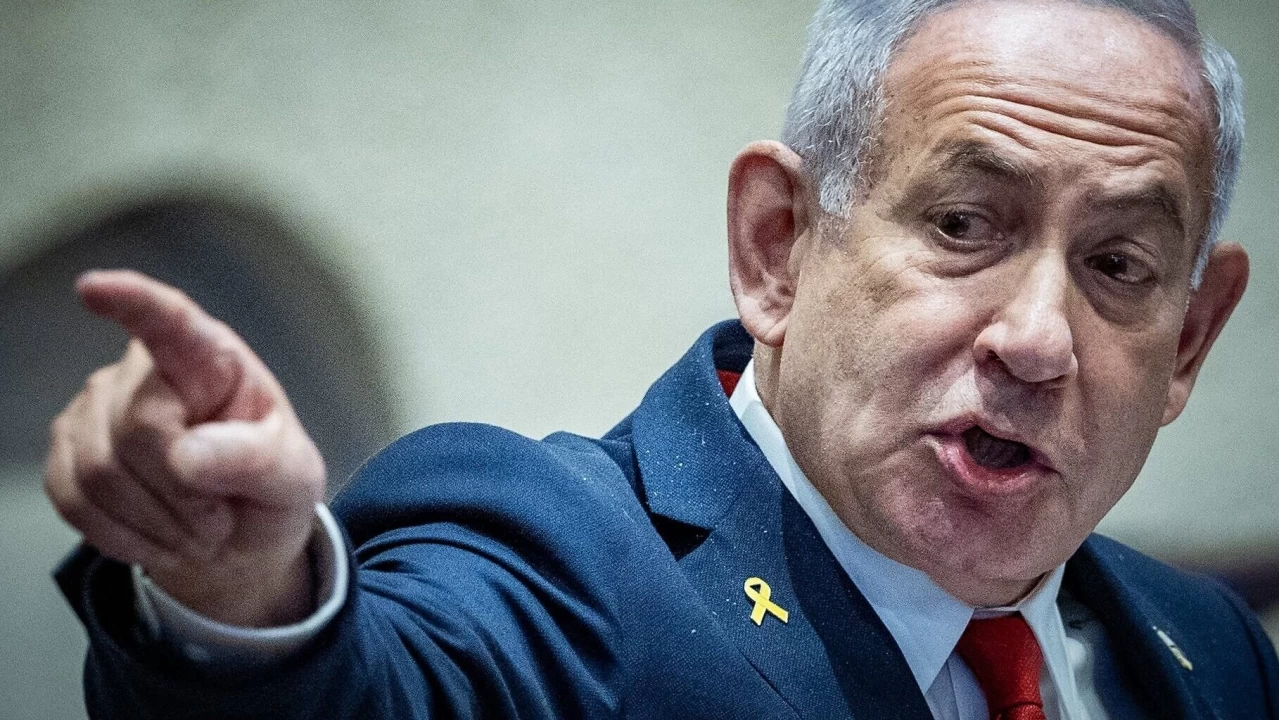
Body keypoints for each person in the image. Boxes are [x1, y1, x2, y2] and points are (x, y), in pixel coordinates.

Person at [46, 0, 1277, 718]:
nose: (1038, 339)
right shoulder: (549, 556)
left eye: (1118, 264)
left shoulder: (1209, 651)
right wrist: (246, 599)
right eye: (962, 225)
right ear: (776, 245)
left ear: (1186, 340)